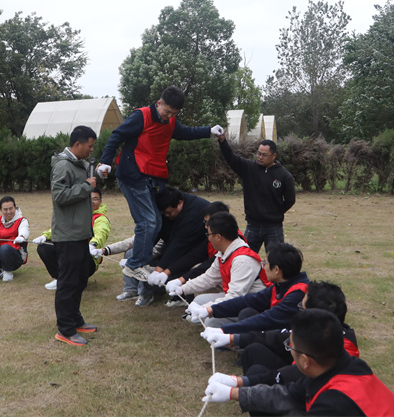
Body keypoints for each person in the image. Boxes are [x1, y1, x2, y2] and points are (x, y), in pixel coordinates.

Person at [97, 85, 222, 283]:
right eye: (167, 111)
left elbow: (185, 132)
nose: (169, 116)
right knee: (147, 222)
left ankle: (141, 261)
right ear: (159, 103)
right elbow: (117, 135)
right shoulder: (142, 116)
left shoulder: (170, 122)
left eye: (174, 113)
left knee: (157, 221)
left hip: (152, 178)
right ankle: (134, 265)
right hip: (133, 175)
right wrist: (105, 161)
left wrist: (209, 131)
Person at [204, 309, 394, 416]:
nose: (289, 349)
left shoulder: (333, 403)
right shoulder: (340, 367)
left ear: (305, 360)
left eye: (290, 346)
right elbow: (286, 394)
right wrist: (232, 393)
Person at [50, 125, 100, 346]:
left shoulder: (80, 164)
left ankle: (76, 320)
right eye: (89, 146)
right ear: (78, 144)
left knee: (79, 280)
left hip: (80, 233)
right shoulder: (63, 166)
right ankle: (65, 330)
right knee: (68, 283)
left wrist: (97, 175)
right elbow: (59, 196)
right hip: (67, 235)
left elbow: (85, 182)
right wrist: (86, 187)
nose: (91, 150)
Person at [190, 242, 308, 331]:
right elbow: (248, 300)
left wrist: (227, 332)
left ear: (276, 270)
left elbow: (269, 318)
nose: (263, 266)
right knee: (246, 312)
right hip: (277, 330)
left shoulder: (298, 293)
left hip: (289, 340)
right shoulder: (279, 286)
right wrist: (211, 309)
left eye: (265, 263)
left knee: (253, 349)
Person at [166, 211, 270, 311]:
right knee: (199, 301)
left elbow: (235, 297)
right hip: (239, 299)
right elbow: (209, 278)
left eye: (209, 234)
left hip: (251, 305)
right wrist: (183, 289)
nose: (208, 239)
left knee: (211, 319)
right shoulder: (225, 252)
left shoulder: (242, 261)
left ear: (218, 237)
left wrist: (207, 309)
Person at [214, 133, 296, 255]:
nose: (260, 157)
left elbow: (290, 200)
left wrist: (275, 212)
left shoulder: (284, 176)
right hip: (253, 226)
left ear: (274, 156)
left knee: (276, 259)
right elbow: (230, 158)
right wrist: (222, 141)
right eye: (258, 153)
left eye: (264, 155)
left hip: (274, 227)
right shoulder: (249, 168)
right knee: (244, 257)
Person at [141, 186, 211, 306]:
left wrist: (160, 270)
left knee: (183, 261)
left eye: (169, 212)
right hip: (182, 245)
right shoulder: (169, 208)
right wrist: (139, 255)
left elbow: (179, 245)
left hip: (200, 248)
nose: (167, 216)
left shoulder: (194, 213)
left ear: (180, 203)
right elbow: (158, 234)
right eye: (164, 213)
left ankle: (185, 297)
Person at [34, 187, 110, 291]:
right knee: (44, 248)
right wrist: (45, 236)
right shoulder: (75, 214)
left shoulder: (101, 219)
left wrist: (93, 244)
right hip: (70, 252)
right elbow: (60, 228)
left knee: (76, 253)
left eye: (95, 198)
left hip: (87, 259)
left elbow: (101, 233)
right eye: (88, 198)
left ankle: (74, 280)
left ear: (100, 201)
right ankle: (60, 278)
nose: (91, 201)